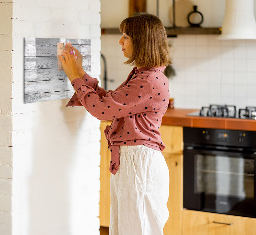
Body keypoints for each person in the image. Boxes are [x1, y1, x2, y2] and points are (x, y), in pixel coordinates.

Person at [58, 13, 171, 235]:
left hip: (139, 164)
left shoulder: (148, 80)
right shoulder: (144, 75)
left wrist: (74, 76)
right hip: (134, 162)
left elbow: (102, 110)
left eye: (126, 36)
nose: (120, 41)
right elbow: (110, 102)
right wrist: (80, 72)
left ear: (142, 40)